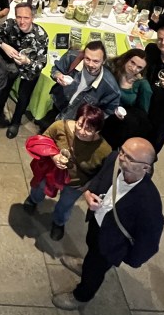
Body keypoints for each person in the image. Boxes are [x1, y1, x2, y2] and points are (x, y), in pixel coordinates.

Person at [51, 139, 163, 310]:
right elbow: (101, 177)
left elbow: (149, 242)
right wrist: (89, 194)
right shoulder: (114, 159)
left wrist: (128, 258)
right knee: (91, 247)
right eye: (122, 151)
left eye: (130, 158)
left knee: (95, 272)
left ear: (145, 168)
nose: (122, 158)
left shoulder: (149, 202)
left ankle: (81, 296)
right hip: (97, 223)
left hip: (112, 244)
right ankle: (85, 264)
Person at [25, 103, 112, 241]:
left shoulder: (104, 150)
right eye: (80, 124)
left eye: (89, 129)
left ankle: (58, 222)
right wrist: (54, 156)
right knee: (39, 187)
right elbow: (43, 140)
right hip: (51, 173)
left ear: (97, 130)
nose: (82, 131)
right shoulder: (60, 126)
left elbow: (101, 174)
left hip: (76, 184)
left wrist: (87, 189)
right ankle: (33, 200)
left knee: (65, 205)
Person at [0, 2, 49, 137]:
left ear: (32, 18)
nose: (22, 21)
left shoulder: (41, 35)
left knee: (23, 97)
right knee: (3, 89)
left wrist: (27, 61)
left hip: (29, 69)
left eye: (26, 18)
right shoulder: (10, 24)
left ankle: (15, 122)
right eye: (19, 17)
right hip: (10, 66)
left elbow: (41, 63)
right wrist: (4, 46)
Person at [49, 42, 120, 121]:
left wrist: (90, 119)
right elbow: (55, 70)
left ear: (103, 61)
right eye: (87, 59)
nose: (90, 64)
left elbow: (108, 110)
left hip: (76, 119)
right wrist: (58, 75)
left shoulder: (110, 87)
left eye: (95, 61)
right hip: (58, 104)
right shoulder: (72, 58)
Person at [101, 50, 153, 148]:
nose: (133, 68)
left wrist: (126, 116)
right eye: (132, 62)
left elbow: (141, 113)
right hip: (100, 111)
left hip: (116, 124)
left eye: (139, 67)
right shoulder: (111, 68)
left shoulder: (143, 85)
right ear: (126, 59)